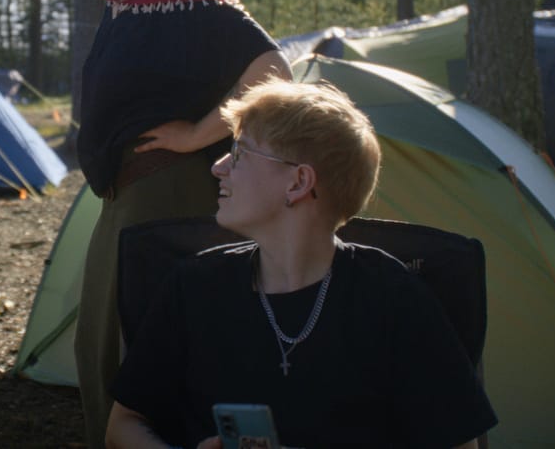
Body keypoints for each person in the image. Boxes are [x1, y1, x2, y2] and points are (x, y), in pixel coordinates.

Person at [106, 78, 497, 449]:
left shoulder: (394, 298)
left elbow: (460, 442)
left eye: (240, 153)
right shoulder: (194, 285)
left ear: (297, 183)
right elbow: (122, 426)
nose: (218, 167)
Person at [72, 0, 291, 447]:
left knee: (135, 356)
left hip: (168, 202)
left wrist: (199, 133)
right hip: (128, 200)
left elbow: (276, 72)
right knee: (102, 345)